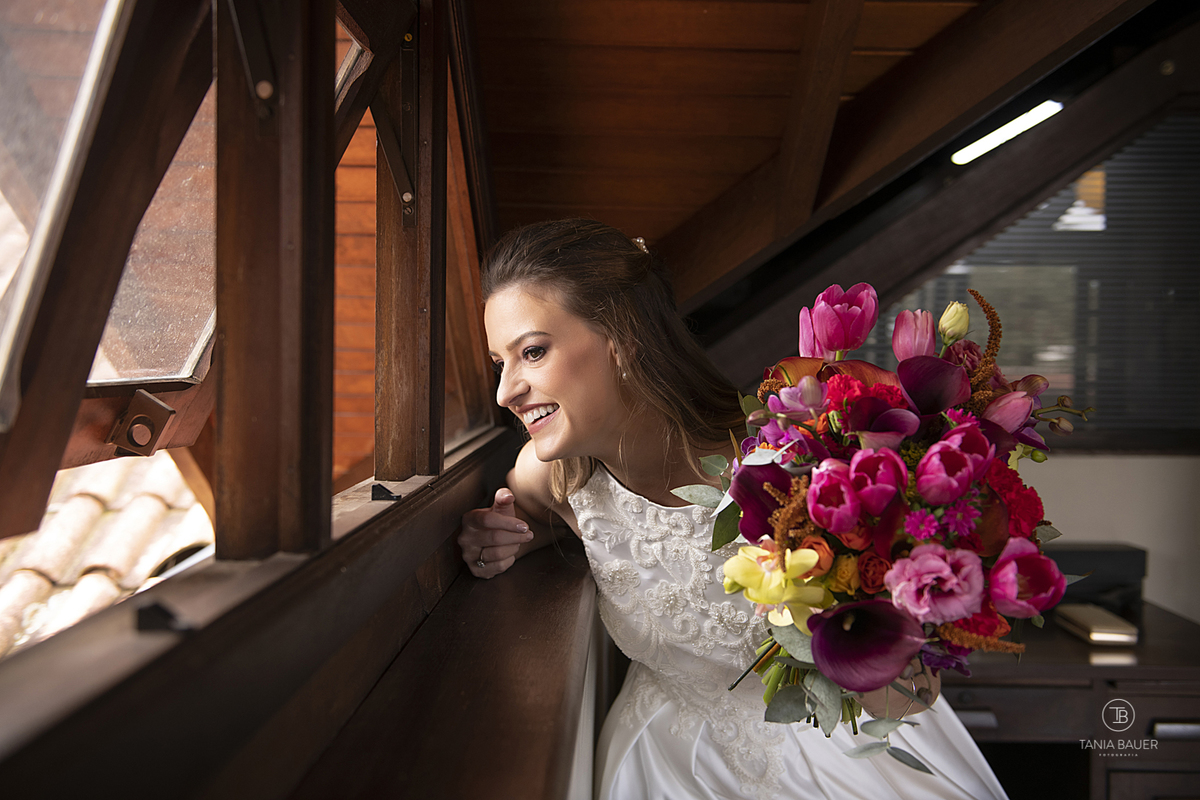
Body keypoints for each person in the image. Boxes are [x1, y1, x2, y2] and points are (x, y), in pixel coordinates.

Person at [459, 219, 1008, 800]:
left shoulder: (790, 459)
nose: (505, 392)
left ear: (621, 338)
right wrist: (497, 535)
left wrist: (888, 652)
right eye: (500, 363)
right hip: (664, 767)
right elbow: (523, 520)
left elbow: (914, 694)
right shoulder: (552, 475)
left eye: (532, 353)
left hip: (835, 753)